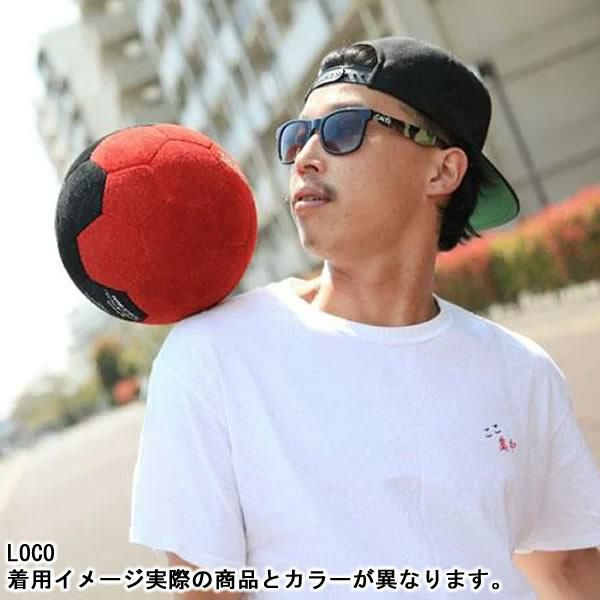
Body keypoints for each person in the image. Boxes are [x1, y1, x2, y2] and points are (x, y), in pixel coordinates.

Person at [129, 36, 600, 598]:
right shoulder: (213, 357)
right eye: (298, 136)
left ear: (442, 170)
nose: (306, 156)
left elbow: (567, 568)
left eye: (343, 129)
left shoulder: (522, 370)